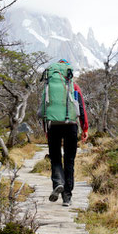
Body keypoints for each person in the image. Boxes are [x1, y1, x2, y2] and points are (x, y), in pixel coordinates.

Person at [43, 59, 89, 207]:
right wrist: (85, 129)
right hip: (71, 126)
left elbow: (44, 107)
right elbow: (81, 108)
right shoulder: (74, 86)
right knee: (69, 160)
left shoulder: (49, 86)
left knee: (55, 158)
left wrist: (46, 130)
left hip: (53, 126)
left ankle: (58, 182)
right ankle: (67, 197)